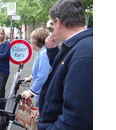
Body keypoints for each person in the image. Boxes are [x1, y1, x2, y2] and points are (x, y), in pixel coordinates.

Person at [37, 0, 93, 129]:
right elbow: (63, 73)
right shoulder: (80, 46)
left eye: (52, 24)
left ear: (59, 22)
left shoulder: (84, 55)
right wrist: (52, 51)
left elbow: (77, 120)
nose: (52, 29)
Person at [21, 28, 52, 107]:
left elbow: (43, 76)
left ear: (36, 41)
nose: (30, 41)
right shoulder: (41, 52)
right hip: (41, 93)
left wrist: (31, 92)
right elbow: (41, 70)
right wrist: (31, 77)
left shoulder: (44, 54)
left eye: (31, 39)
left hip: (44, 94)